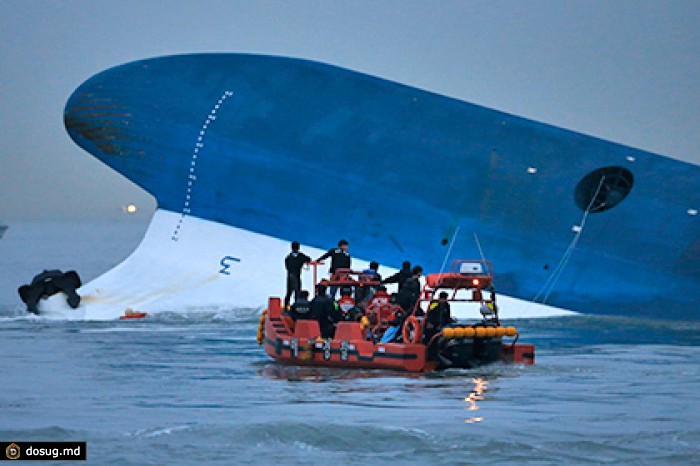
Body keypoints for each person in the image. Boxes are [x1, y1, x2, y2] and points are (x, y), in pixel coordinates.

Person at [284, 241, 312, 309]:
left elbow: (287, 267)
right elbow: (309, 259)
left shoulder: (288, 257)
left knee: (289, 292)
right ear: (298, 248)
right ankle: (296, 307)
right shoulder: (301, 256)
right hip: (296, 276)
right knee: (297, 292)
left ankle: (286, 307)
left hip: (290, 276)